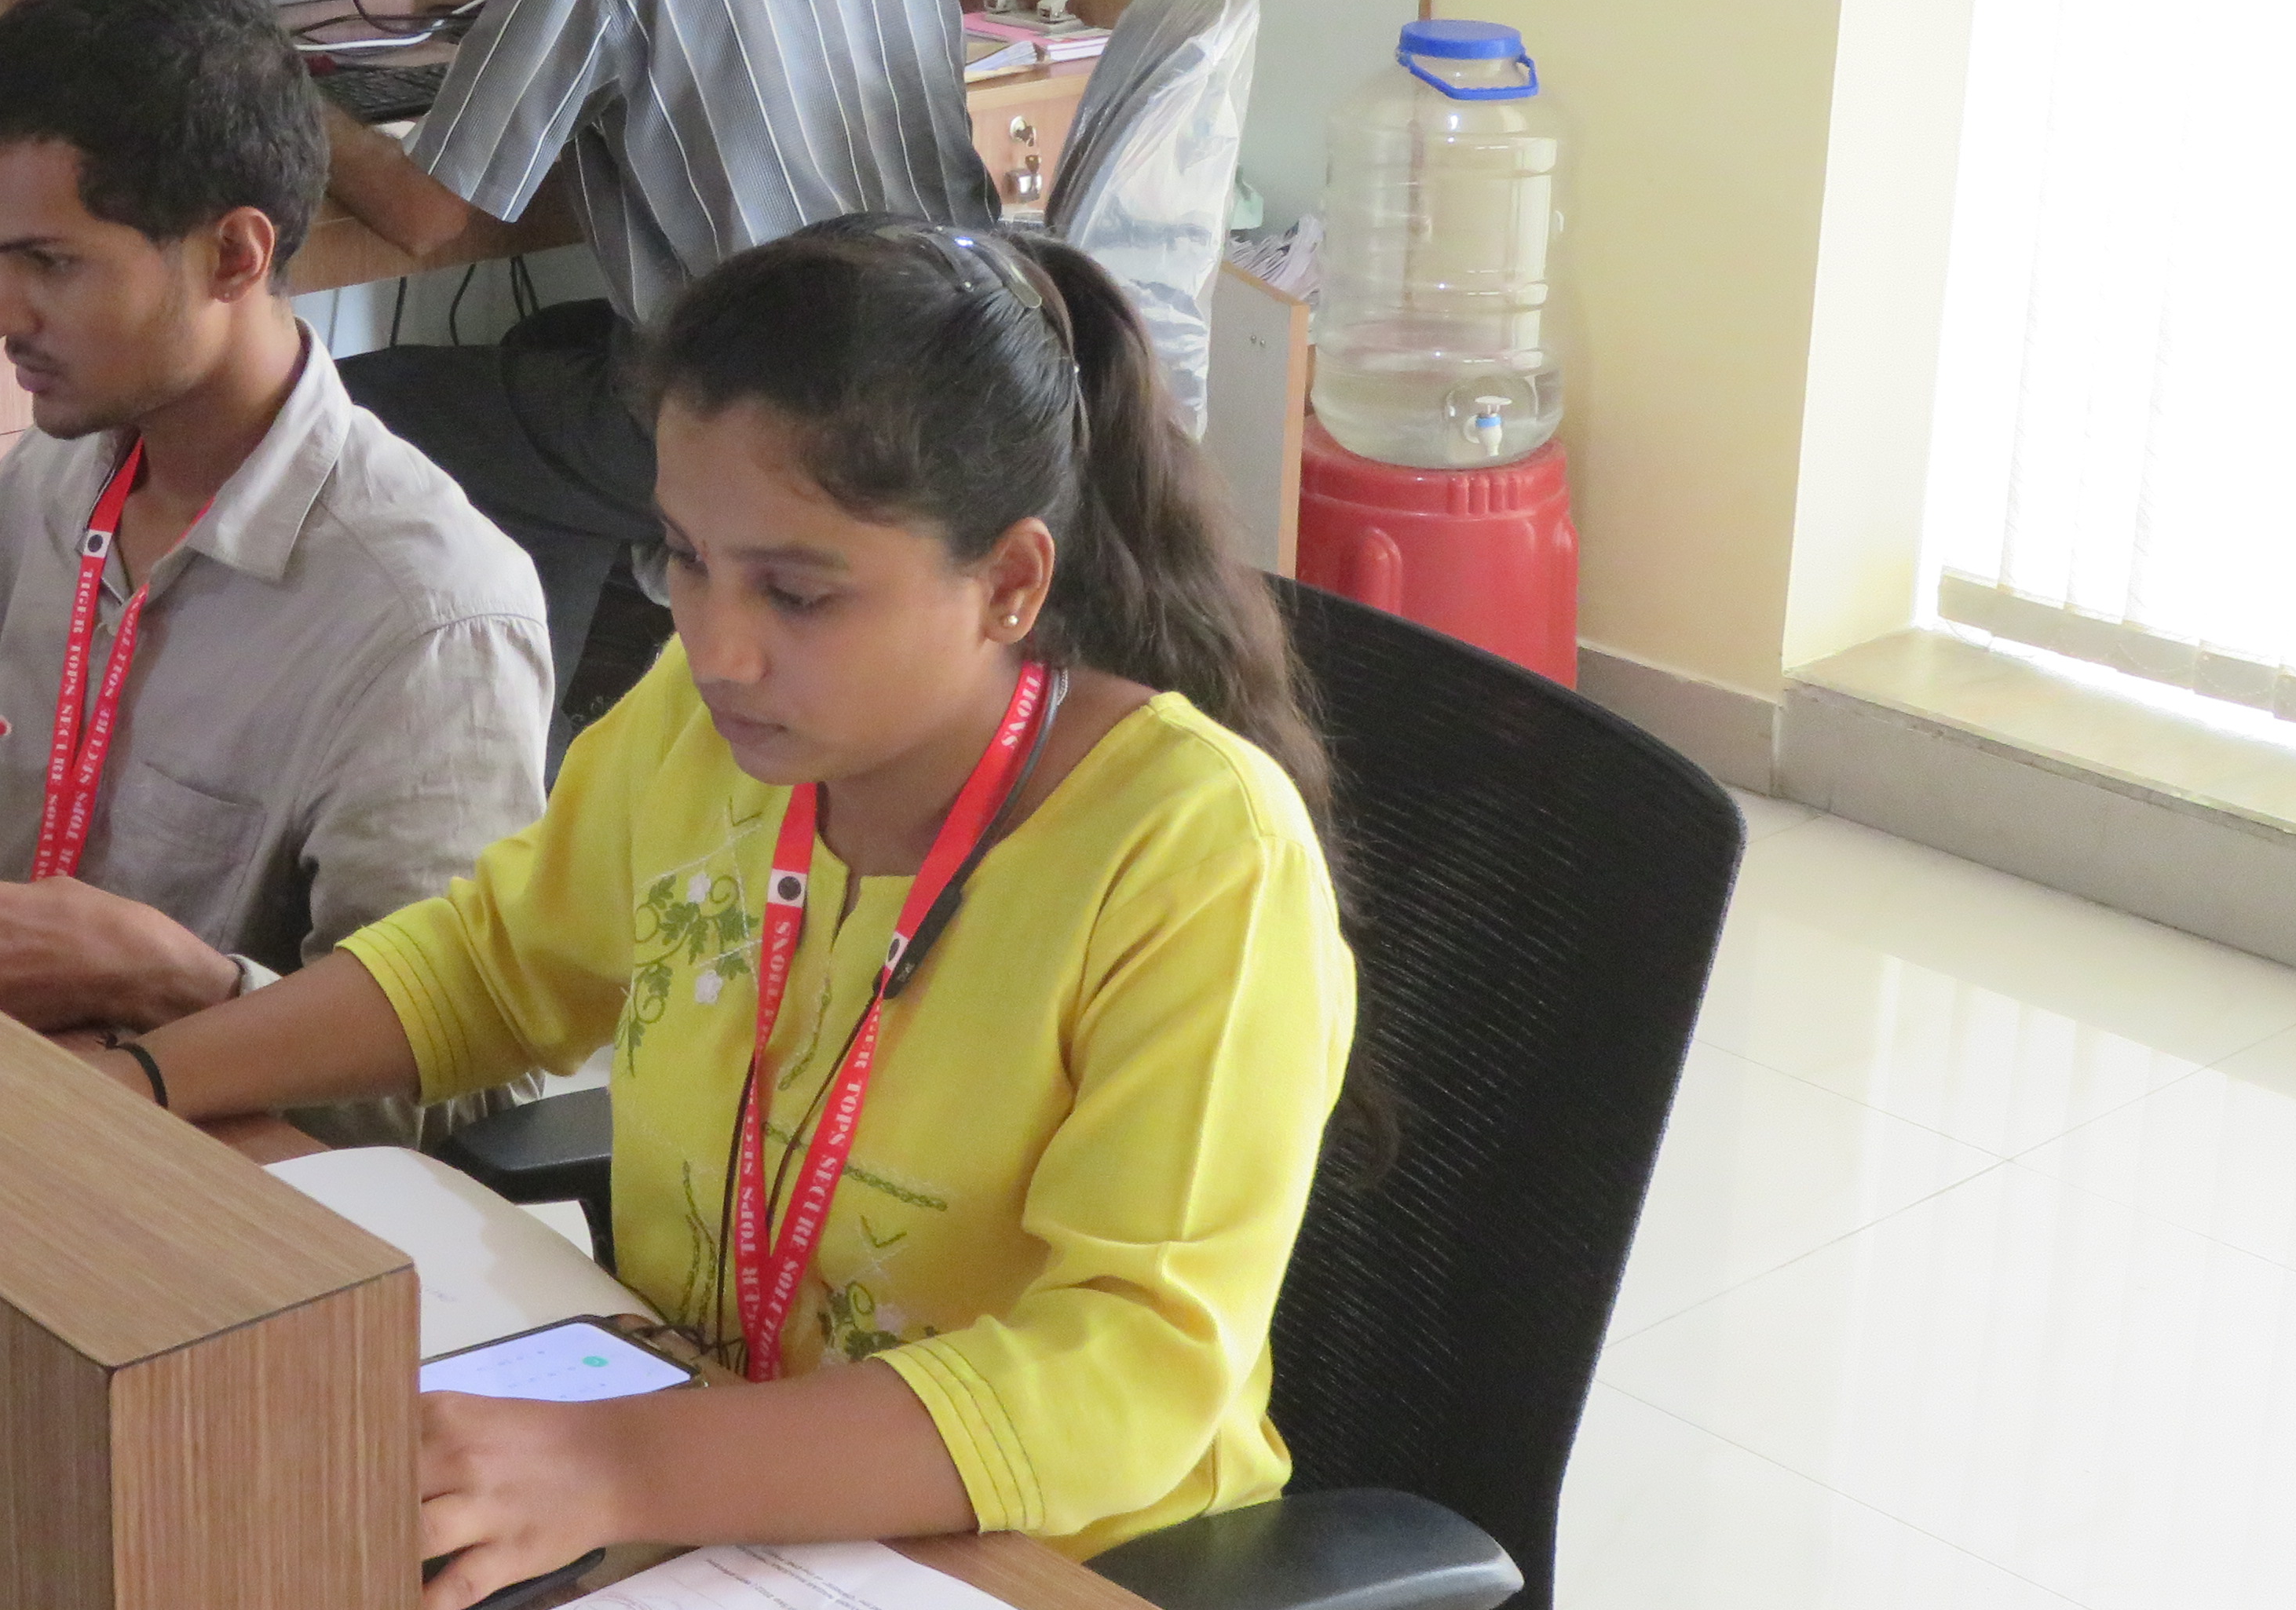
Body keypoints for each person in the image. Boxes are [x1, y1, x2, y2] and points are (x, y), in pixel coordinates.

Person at [83, 214, 1362, 1602]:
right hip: (704, 1472)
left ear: (1007, 583)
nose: (715, 645)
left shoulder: (1189, 851)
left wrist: (618, 1466)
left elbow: (1124, 1368)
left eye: (796, 594)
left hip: (1028, 1556)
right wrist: (139, 1085)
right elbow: (494, 967)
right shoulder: (713, 731)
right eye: (684, 558)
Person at [0, 0, 558, 1139]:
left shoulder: (427, 613)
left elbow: (461, 1080)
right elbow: (11, 837)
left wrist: (185, 990)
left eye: (50, 262)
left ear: (234, 257)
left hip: (200, 1167)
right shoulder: (54, 479)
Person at [324, 0, 996, 694]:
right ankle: (585, 729)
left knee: (356, 398)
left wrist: (291, 96)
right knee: (544, 358)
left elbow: (427, 215)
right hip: (945, 355)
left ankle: (507, 751)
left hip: (769, 410)